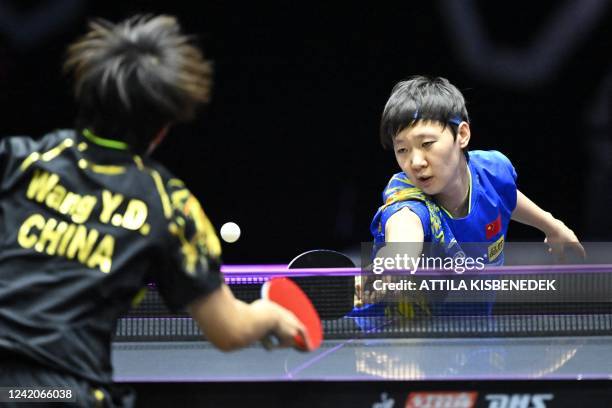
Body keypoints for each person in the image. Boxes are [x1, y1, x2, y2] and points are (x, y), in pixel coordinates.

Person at [0, 15, 305, 407]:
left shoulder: (19, 160)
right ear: (164, 126)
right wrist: (269, 315)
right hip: (60, 392)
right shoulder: (169, 205)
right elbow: (228, 330)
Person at [360, 76, 585, 310]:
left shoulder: (492, 170)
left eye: (427, 143)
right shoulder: (406, 197)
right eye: (402, 149)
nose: (415, 162)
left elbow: (504, 196)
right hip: (402, 340)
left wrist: (552, 226)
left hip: (475, 336)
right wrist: (395, 260)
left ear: (462, 135)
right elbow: (405, 226)